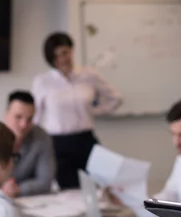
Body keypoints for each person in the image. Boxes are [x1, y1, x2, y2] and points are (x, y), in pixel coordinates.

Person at [32, 32, 123, 189]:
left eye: (65, 53)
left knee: (102, 185)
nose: (62, 59)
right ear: (50, 58)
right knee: (69, 190)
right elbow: (36, 117)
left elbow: (115, 98)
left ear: (72, 50)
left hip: (85, 140)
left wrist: (94, 111)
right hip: (58, 143)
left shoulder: (89, 75)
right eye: (57, 55)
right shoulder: (43, 81)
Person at [1, 90, 56, 198]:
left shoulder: (41, 137)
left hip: (31, 202)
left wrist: (18, 190)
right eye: (18, 117)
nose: (23, 124)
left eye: (29, 119)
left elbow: (45, 181)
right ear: (6, 115)